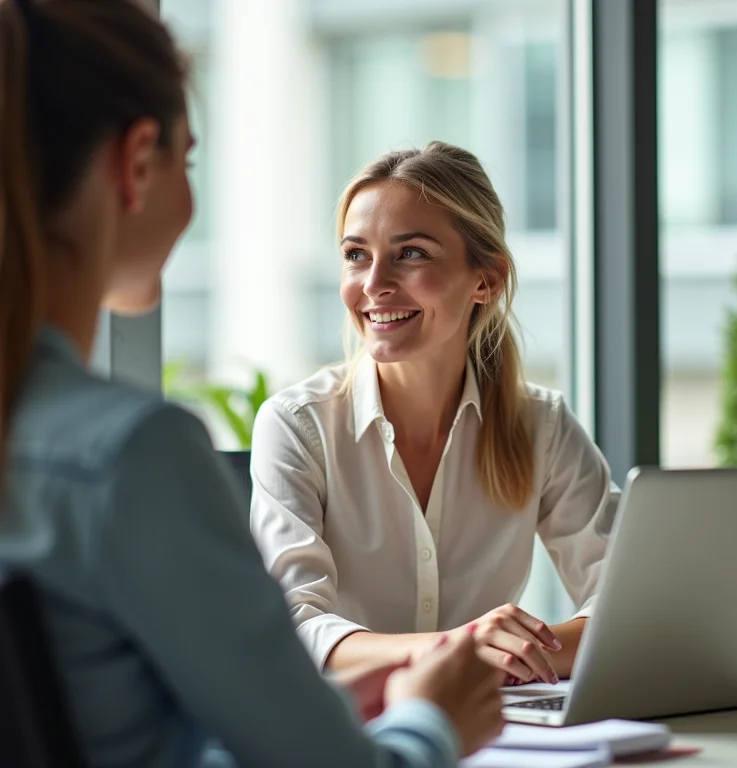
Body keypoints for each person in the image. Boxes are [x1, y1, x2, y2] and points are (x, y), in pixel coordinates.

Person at [0, 2, 505, 766]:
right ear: (138, 163)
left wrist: (323, 711)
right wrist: (433, 723)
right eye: (189, 162)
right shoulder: (129, 456)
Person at [250, 141, 619, 685]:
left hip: (498, 734)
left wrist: (502, 654)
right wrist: (466, 649)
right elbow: (296, 626)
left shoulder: (540, 425)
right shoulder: (298, 425)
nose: (374, 284)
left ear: (485, 280)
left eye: (412, 253)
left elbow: (625, 603)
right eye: (356, 255)